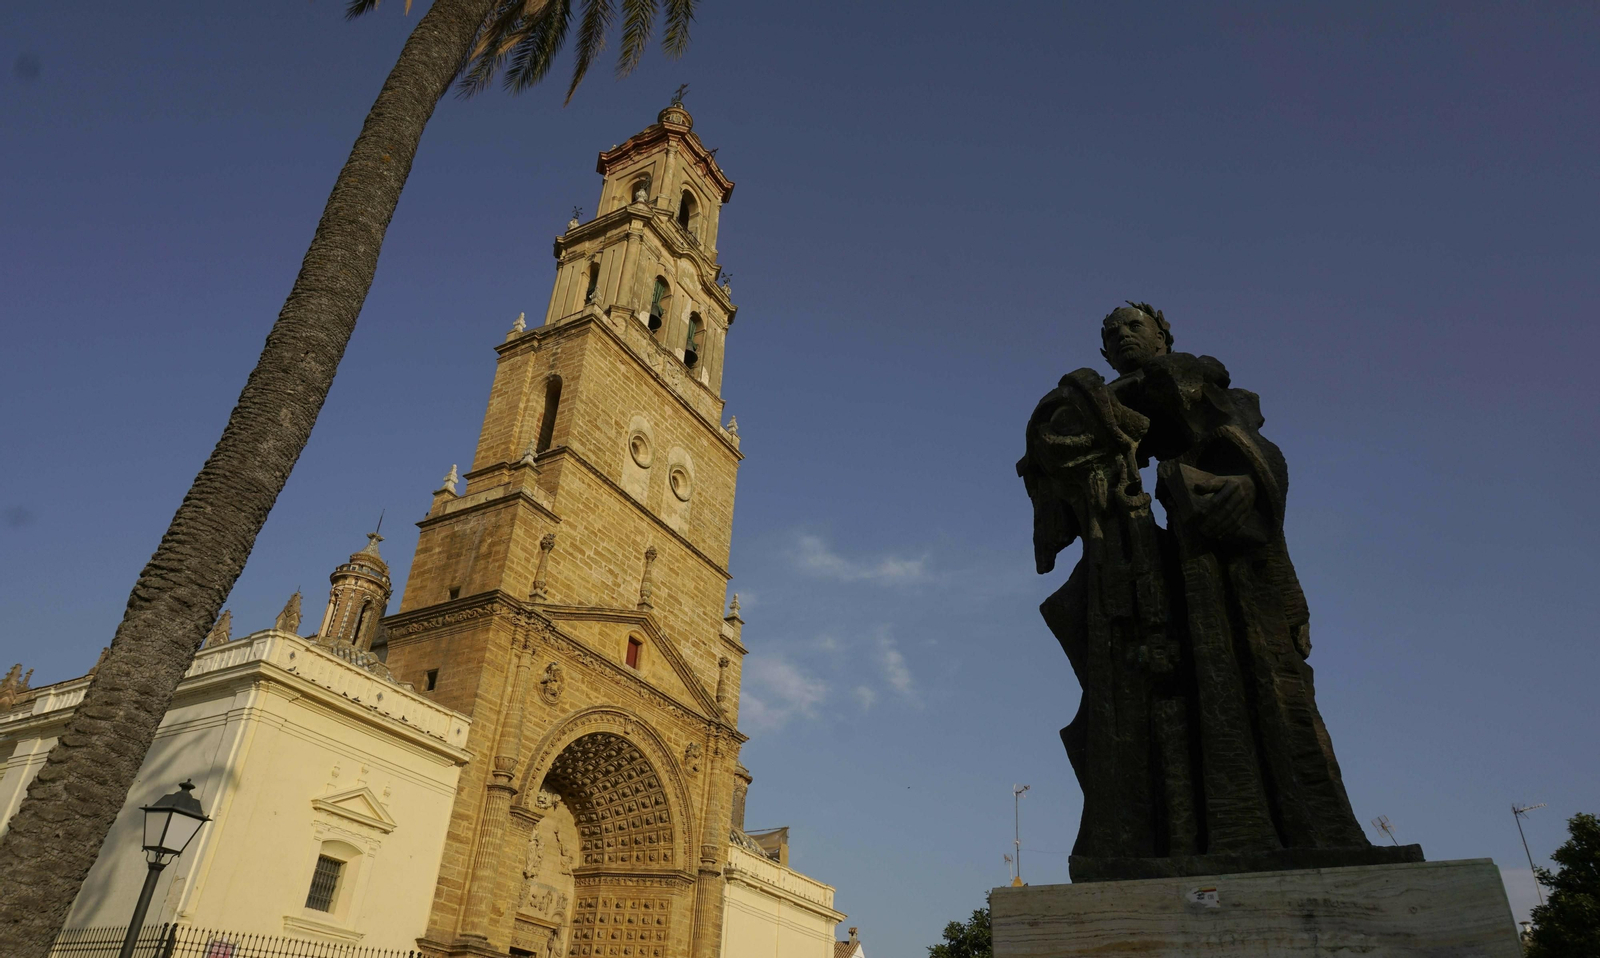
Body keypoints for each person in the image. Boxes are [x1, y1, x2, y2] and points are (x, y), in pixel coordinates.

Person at [1018, 303, 1418, 881]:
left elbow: (1253, 451)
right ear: (1103, 354)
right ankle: (1143, 844)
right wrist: (1099, 420)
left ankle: (1293, 828)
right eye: (1111, 334)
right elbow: (1050, 455)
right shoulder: (1080, 402)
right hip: (1127, 576)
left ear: (1162, 335)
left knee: (1256, 685)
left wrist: (1240, 485)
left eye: (1134, 326)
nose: (1122, 336)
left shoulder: (1202, 382)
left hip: (1219, 568)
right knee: (1137, 705)